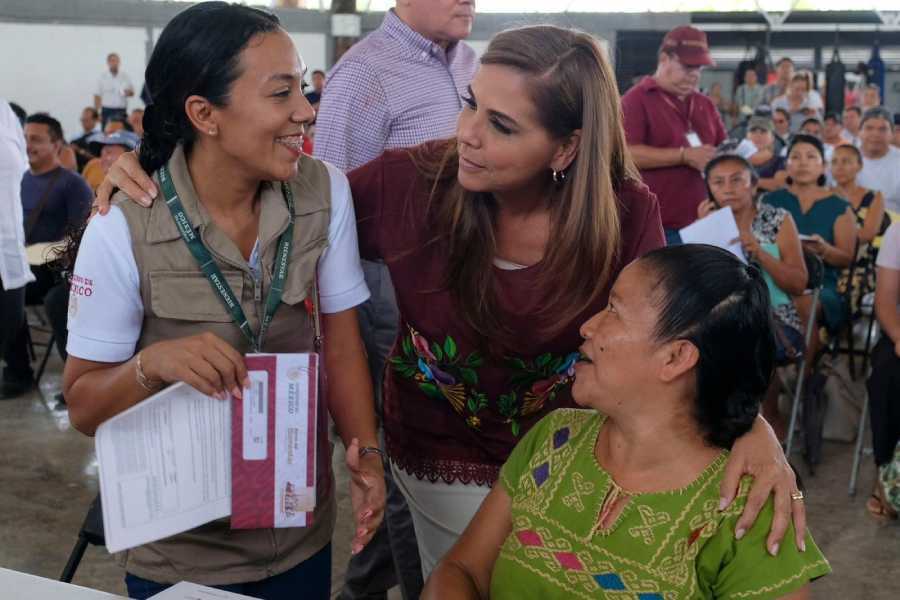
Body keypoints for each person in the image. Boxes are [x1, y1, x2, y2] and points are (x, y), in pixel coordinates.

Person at [95, 24, 807, 583]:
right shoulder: (414, 182)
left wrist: (753, 432)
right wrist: (143, 164)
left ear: (567, 148)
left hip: (559, 462)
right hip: (428, 455)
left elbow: (692, 334)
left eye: (502, 125)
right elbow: (282, 191)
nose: (466, 132)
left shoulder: (623, 213)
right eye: (472, 104)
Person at [64, 4, 385, 598]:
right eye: (280, 92)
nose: (305, 111)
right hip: (182, 553)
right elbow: (82, 406)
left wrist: (363, 449)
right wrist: (150, 365)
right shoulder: (124, 225)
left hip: (299, 529)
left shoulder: (323, 192)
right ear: (204, 114)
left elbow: (340, 342)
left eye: (302, 85)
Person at [424, 244, 830, 599]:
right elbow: (462, 570)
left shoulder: (752, 509)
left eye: (613, 311)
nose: (587, 326)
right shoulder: (556, 437)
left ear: (675, 358)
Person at [315, 2, 477, 597]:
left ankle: (361, 591)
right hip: (387, 287)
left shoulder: (471, 64)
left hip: (458, 284)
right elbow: (326, 197)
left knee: (430, 456)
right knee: (409, 457)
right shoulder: (364, 73)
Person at [697, 155, 807, 438]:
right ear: (709, 188)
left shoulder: (777, 220)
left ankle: (766, 421)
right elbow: (698, 286)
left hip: (774, 313)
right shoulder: (707, 224)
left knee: (747, 337)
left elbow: (797, 283)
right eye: (718, 182)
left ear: (754, 184)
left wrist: (758, 252)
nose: (728, 189)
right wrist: (703, 235)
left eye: (737, 180)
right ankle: (713, 424)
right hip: (722, 312)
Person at [1, 113, 93, 399]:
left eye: (37, 139)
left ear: (57, 145)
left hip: (55, 269)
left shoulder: (72, 184)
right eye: (25, 138)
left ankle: (77, 384)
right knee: (5, 288)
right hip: (24, 265)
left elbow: (81, 237)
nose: (28, 145)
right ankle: (18, 372)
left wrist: (44, 252)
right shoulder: (18, 179)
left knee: (55, 299)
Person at [622, 25, 726, 244]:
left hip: (705, 222)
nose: (694, 75)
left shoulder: (704, 104)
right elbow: (625, 155)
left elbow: (723, 148)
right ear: (664, 59)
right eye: (688, 66)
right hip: (657, 226)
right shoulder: (636, 100)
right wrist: (683, 155)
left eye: (699, 68)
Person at [866, 222, 900, 520]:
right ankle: (886, 474)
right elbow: (886, 299)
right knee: (887, 374)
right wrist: (899, 335)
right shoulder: (898, 232)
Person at [0, 100, 32, 393]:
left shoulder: (7, 116)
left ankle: (18, 371)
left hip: (8, 243)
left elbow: (20, 168)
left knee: (11, 320)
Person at [831, 144, 887, 245]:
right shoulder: (822, 194)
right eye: (834, 162)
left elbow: (868, 234)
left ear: (859, 166)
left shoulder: (874, 197)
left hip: (860, 256)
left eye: (846, 161)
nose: (839, 167)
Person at [857, 107, 900, 214]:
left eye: (882, 129)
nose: (875, 134)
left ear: (892, 133)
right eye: (869, 128)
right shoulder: (844, 158)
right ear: (859, 132)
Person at [745, 117, 786, 192]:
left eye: (763, 131)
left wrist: (748, 181)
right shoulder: (737, 161)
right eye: (753, 131)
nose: (758, 135)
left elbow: (779, 185)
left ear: (772, 138)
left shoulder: (781, 161)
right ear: (747, 136)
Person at [94, 52, 134, 128]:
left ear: (119, 62)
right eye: (112, 61)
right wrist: (97, 113)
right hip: (107, 110)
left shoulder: (125, 76)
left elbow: (132, 93)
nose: (114, 63)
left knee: (122, 132)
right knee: (106, 133)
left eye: (116, 61)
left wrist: (128, 93)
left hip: (121, 110)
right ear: (108, 62)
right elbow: (97, 96)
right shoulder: (102, 77)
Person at [70, 107, 101, 172]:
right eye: (82, 120)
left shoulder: (100, 138)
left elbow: (97, 159)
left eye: (87, 120)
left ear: (95, 120)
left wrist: (79, 150)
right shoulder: (75, 137)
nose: (84, 122)